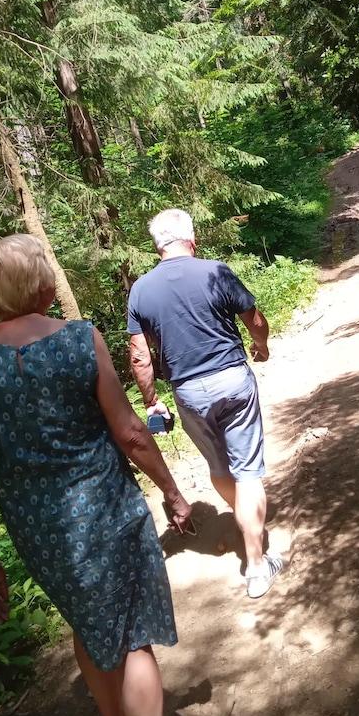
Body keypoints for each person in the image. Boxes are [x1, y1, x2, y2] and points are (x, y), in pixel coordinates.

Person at [0, 234, 192, 716]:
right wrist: (172, 491)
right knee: (131, 636)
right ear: (43, 284)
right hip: (106, 506)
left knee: (89, 626)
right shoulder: (80, 338)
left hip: (39, 527)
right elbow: (129, 432)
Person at [127, 208, 284, 599]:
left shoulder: (141, 290)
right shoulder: (216, 271)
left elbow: (139, 356)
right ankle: (257, 563)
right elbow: (255, 319)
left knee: (219, 466)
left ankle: (244, 522)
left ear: (156, 245)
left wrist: (151, 402)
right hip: (232, 378)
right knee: (247, 471)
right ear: (191, 239)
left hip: (187, 391)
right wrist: (260, 346)